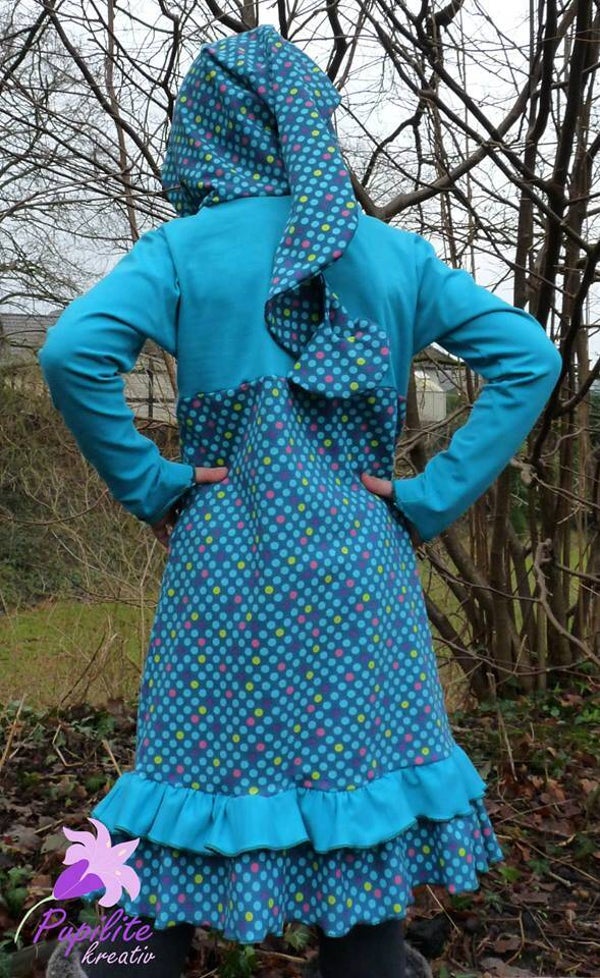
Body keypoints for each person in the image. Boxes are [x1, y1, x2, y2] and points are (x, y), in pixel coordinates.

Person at [39, 24, 562, 978]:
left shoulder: (184, 250)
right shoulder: (391, 253)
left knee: (184, 780)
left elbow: (72, 353)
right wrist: (430, 498)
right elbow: (529, 358)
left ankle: (117, 956)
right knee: (357, 789)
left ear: (207, 129)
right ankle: (369, 962)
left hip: (224, 569)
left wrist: (152, 484)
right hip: (363, 572)